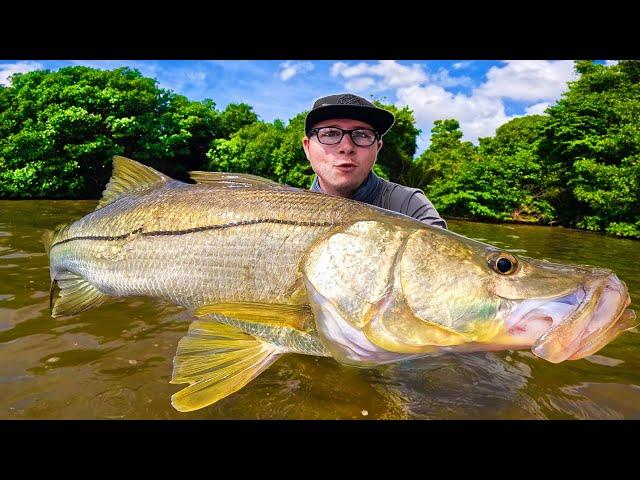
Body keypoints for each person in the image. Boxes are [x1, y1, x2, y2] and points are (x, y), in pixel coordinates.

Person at [302, 93, 447, 229]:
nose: (347, 147)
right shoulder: (282, 207)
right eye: (330, 133)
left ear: (377, 148)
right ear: (307, 148)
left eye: (362, 134)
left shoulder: (410, 205)